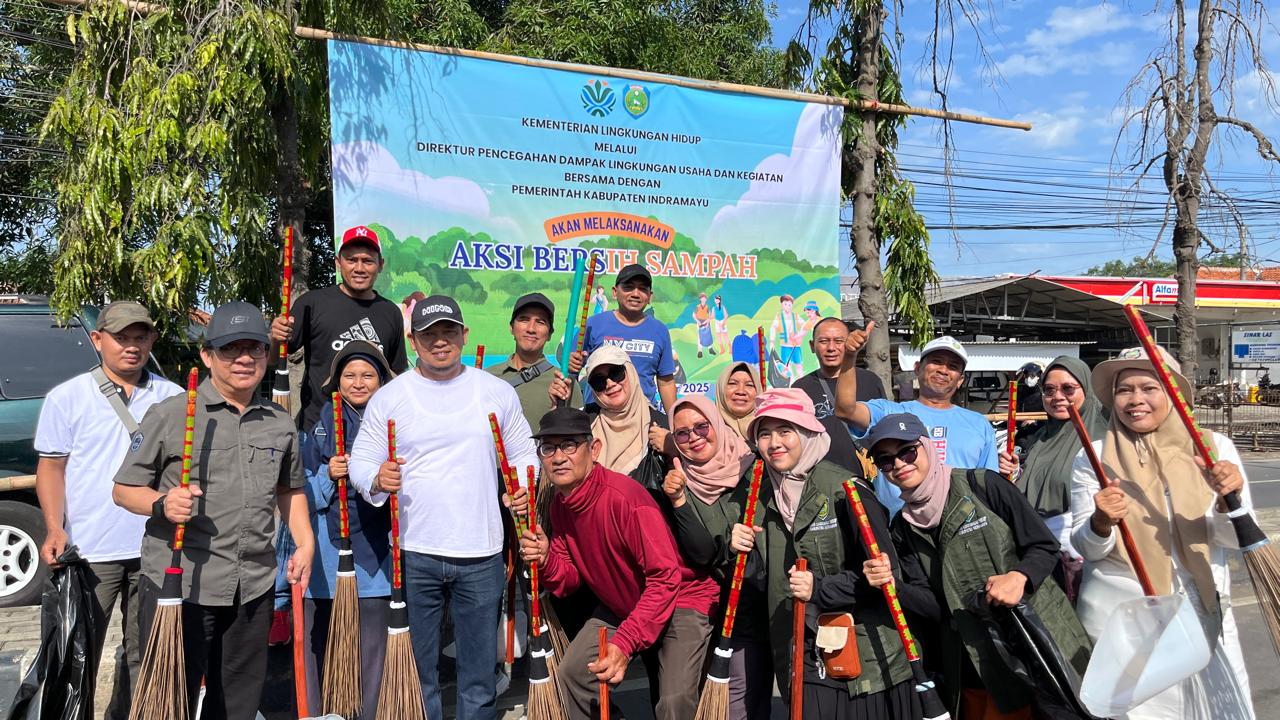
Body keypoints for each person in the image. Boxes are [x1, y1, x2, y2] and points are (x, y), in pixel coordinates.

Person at [113, 302, 315, 720]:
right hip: (184, 584)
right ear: (207, 356)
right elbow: (123, 489)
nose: (244, 359)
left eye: (254, 349)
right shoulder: (171, 415)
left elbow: (289, 490)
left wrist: (306, 542)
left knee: (237, 702)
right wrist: (163, 503)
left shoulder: (278, 422)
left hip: (253, 585)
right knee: (170, 701)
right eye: (230, 349)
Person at [347, 294, 535, 720]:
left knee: (478, 677)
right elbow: (361, 462)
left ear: (464, 335)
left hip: (481, 554)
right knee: (419, 673)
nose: (440, 341)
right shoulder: (391, 397)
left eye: (449, 331)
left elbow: (525, 454)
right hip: (416, 553)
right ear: (414, 340)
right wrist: (377, 478)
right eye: (429, 334)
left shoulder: (495, 392)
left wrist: (521, 487)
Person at [1070, 346, 1255, 719]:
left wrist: (1226, 502)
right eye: (1125, 390)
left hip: (1202, 611)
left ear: (1172, 393)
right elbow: (1087, 548)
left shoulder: (1214, 448)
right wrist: (1102, 521)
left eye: (1149, 388)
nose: (1135, 400)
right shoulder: (1094, 455)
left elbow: (1236, 539)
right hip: (1127, 624)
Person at [865, 413, 1091, 719]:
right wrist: (892, 586)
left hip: (1039, 643)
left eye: (907, 451)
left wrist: (1019, 576)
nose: (900, 465)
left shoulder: (983, 485)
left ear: (928, 447)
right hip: (976, 662)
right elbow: (936, 607)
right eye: (886, 461)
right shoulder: (901, 529)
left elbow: (1043, 545)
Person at [728, 390, 924, 719]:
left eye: (785, 430)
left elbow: (885, 576)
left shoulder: (846, 488)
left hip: (865, 656)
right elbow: (762, 584)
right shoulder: (757, 498)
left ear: (807, 433)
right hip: (801, 653)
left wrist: (821, 589)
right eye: (764, 433)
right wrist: (738, 550)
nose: (774, 442)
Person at [34, 301, 183, 720]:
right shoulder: (67, 397)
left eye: (140, 338)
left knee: (148, 653)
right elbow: (51, 467)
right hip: (90, 549)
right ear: (98, 340)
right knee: (80, 653)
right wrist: (52, 527)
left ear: (152, 340)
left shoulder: (173, 396)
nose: (132, 347)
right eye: (121, 338)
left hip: (155, 547)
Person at [518, 407, 717, 720]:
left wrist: (624, 643)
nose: (558, 457)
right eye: (549, 448)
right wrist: (545, 559)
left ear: (593, 449)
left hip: (681, 599)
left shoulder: (625, 499)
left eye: (569, 445)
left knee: (674, 701)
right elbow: (569, 579)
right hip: (624, 601)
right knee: (572, 674)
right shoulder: (561, 506)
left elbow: (665, 580)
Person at [292, 340, 393, 717]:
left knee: (372, 646)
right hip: (325, 560)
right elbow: (294, 493)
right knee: (320, 645)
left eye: (368, 375)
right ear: (336, 382)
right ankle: (319, 713)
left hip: (376, 555)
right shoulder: (318, 429)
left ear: (383, 382)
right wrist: (326, 476)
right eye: (349, 375)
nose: (358, 382)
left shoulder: (394, 425)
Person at [662, 395, 771, 720]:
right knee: (726, 702)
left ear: (717, 424)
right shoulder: (681, 480)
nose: (693, 437)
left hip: (767, 595)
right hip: (720, 602)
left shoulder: (756, 466)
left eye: (701, 426)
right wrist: (679, 501)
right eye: (682, 433)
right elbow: (701, 553)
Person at [836, 329, 999, 515]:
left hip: (959, 532)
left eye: (953, 366)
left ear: (960, 380)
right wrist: (849, 357)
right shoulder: (890, 413)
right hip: (898, 533)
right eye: (936, 362)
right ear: (917, 368)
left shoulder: (979, 424)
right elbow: (845, 409)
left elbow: (988, 484)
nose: (943, 370)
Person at [271, 224, 409, 430]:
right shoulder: (311, 303)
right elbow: (274, 360)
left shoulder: (390, 312)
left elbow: (396, 376)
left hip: (371, 431)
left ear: (380, 264)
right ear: (338, 263)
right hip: (317, 431)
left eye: (368, 261)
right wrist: (275, 337)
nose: (359, 268)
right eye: (351, 260)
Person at [998, 356, 1106, 600]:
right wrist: (1015, 473)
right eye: (1049, 390)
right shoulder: (1039, 438)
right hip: (1037, 554)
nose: (1057, 396)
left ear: (1086, 390)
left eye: (1068, 388)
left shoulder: (1102, 438)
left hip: (1078, 558)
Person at [552, 345, 670, 489]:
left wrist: (673, 448)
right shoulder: (584, 423)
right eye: (599, 381)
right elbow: (553, 447)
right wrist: (556, 406)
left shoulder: (661, 426)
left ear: (631, 372)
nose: (610, 383)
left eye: (616, 373)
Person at [571, 263, 676, 412]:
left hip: (643, 416)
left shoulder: (659, 330)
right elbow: (569, 371)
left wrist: (675, 423)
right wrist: (570, 366)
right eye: (628, 287)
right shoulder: (593, 324)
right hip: (598, 416)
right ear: (614, 292)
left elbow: (666, 382)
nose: (635, 294)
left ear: (650, 296)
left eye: (642, 289)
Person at [792, 316, 886, 472]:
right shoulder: (800, 388)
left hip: (867, 476)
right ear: (811, 346)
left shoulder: (870, 381)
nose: (831, 348)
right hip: (819, 480)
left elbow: (884, 426)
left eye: (839, 341)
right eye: (823, 341)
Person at [487, 292, 565, 428]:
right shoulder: (488, 377)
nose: (531, 329)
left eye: (540, 322)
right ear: (511, 328)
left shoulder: (562, 382)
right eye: (524, 319)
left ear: (550, 334)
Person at [715, 361, 758, 441]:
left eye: (749, 385)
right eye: (732, 383)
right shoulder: (709, 431)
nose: (741, 391)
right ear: (721, 389)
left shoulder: (768, 428)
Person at [769, 294, 804, 382]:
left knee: (798, 364)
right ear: (781, 305)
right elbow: (773, 327)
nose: (788, 306)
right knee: (786, 366)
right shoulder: (779, 317)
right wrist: (772, 341)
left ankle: (802, 381)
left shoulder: (795, 316)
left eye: (789, 304)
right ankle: (791, 382)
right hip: (785, 345)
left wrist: (800, 335)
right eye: (785, 304)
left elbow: (804, 325)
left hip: (796, 345)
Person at [694, 292, 715, 358]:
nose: (703, 299)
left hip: (706, 322)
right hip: (699, 322)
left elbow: (710, 315)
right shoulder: (697, 307)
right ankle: (700, 351)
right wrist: (698, 321)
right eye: (702, 298)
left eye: (704, 298)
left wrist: (707, 321)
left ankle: (710, 349)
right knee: (700, 337)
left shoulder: (707, 307)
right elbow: (694, 315)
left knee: (708, 335)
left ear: (706, 299)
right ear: (700, 299)